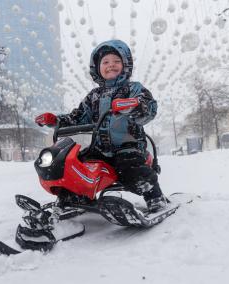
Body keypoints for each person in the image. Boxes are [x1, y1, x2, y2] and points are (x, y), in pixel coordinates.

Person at [35, 40, 166, 212]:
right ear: (97, 68)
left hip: (128, 146)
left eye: (116, 61)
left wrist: (133, 105)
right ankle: (74, 196)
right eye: (105, 62)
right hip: (98, 149)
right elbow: (78, 117)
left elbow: (150, 108)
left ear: (125, 65)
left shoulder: (133, 89)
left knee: (131, 169)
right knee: (75, 165)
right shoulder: (94, 96)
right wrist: (56, 121)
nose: (111, 65)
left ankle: (154, 196)